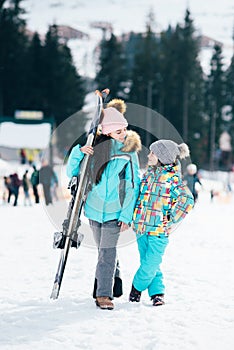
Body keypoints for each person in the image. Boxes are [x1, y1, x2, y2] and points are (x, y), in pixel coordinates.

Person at [67, 104, 142, 310]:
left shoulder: (129, 152)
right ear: (105, 130)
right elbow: (72, 174)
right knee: (104, 251)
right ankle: (114, 281)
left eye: (124, 129)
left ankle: (103, 294)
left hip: (115, 212)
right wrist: (79, 152)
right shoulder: (92, 149)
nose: (123, 134)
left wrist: (127, 215)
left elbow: (132, 185)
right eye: (119, 131)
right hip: (92, 210)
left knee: (106, 252)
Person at [129, 140, 194, 306]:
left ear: (162, 157)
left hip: (159, 230)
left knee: (152, 262)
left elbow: (187, 200)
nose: (149, 155)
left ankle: (136, 287)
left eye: (153, 153)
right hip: (141, 227)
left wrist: (172, 218)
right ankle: (157, 293)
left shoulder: (172, 179)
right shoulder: (148, 175)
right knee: (147, 262)